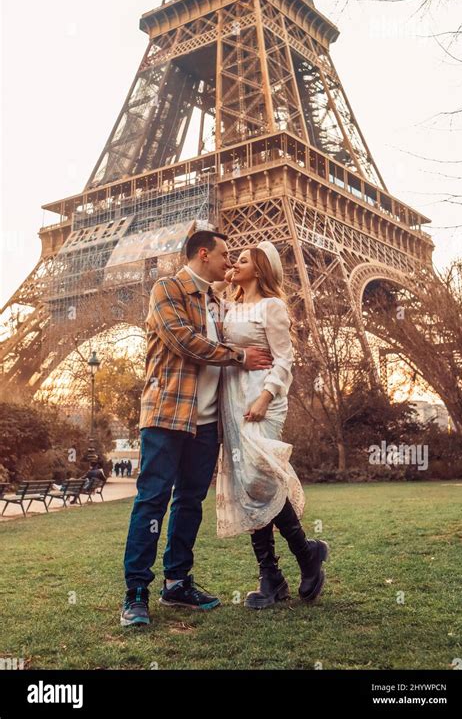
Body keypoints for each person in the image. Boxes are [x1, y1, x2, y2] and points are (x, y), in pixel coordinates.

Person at [120, 230, 274, 626]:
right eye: (225, 254)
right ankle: (136, 591)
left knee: (189, 502)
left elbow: (248, 322)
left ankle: (177, 581)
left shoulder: (217, 302)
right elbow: (184, 341)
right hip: (168, 414)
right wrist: (239, 355)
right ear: (204, 254)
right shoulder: (166, 289)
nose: (230, 260)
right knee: (152, 499)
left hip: (206, 422)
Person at [215, 241, 329, 609]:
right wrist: (221, 282)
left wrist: (265, 397)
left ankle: (302, 555)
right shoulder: (228, 306)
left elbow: (284, 358)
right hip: (232, 401)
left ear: (261, 269)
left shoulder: (272, 306)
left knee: (258, 478)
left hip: (263, 398)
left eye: (243, 260)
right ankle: (273, 575)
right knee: (247, 485)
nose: (235, 262)